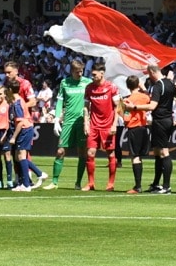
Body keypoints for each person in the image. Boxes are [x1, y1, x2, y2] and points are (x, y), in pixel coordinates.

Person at [46, 58, 89, 190]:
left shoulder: (88, 83)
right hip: (68, 121)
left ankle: (78, 183)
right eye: (77, 72)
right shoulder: (65, 83)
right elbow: (60, 102)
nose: (80, 74)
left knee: (82, 152)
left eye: (81, 71)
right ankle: (54, 182)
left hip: (82, 122)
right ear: (71, 71)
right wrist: (56, 119)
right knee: (60, 151)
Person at [83, 63, 120, 191]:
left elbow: (117, 107)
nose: (92, 77)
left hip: (108, 126)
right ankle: (90, 183)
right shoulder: (89, 88)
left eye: (94, 74)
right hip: (93, 125)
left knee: (110, 154)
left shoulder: (112, 87)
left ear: (102, 73)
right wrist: (86, 124)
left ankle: (110, 184)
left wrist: (114, 124)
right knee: (90, 153)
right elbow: (86, 108)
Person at [143, 64, 176, 193]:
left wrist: (135, 107)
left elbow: (152, 106)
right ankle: (156, 183)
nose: (149, 76)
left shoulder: (158, 85)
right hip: (167, 119)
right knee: (158, 151)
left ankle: (166, 186)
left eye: (148, 74)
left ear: (152, 72)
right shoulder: (169, 84)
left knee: (164, 152)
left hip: (161, 121)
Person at [121, 75, 152, 194]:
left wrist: (124, 120)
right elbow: (150, 100)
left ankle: (137, 186)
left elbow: (127, 117)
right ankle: (140, 185)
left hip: (133, 128)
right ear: (138, 84)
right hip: (143, 127)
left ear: (127, 86)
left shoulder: (128, 100)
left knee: (135, 156)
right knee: (139, 156)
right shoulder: (145, 97)